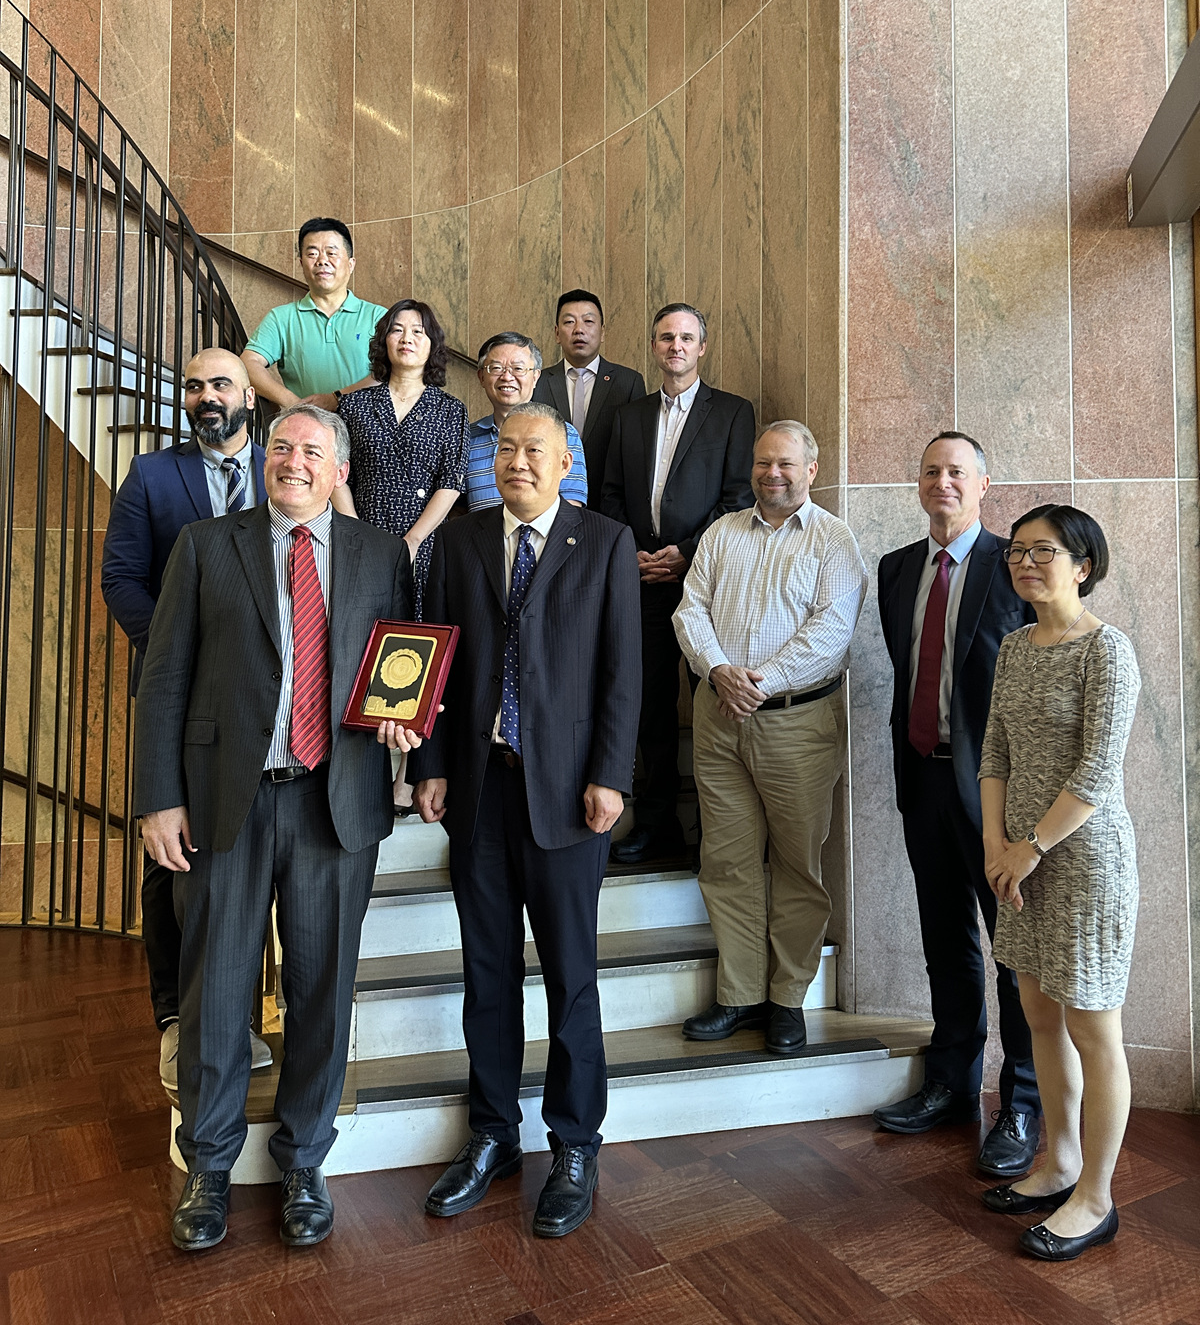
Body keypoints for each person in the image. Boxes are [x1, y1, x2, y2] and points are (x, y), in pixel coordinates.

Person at [134, 405, 422, 1253]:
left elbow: (401, 666)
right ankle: (209, 1167)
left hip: (336, 801)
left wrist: (406, 726)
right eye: (283, 447)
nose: (294, 461)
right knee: (215, 990)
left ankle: (303, 1161)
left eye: (313, 452)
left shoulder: (380, 553)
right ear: (267, 459)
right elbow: (164, 678)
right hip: (224, 801)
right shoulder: (204, 545)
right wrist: (157, 797)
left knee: (322, 990)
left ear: (340, 471)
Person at [411, 403, 640, 1239]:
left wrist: (610, 776)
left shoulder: (604, 541)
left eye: (534, 449)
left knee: (571, 976)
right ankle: (494, 1133)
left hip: (570, 797)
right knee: (487, 973)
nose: (518, 461)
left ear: (565, 460)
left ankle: (574, 1142)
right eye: (505, 448)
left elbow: (622, 670)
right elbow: (436, 658)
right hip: (480, 791)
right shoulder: (461, 540)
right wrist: (429, 765)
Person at [101, 348, 271, 1088]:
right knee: (172, 856)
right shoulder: (151, 475)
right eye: (194, 386)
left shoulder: (285, 467)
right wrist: (182, 648)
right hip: (181, 693)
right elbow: (120, 578)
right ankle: (176, 1021)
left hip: (270, 703)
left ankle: (241, 1018)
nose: (207, 396)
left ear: (249, 396)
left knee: (255, 859)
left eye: (221, 384)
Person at [874, 432, 1040, 1177]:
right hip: (922, 778)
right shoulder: (896, 567)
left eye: (957, 472)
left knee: (1015, 951)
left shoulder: (1015, 565)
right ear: (918, 483)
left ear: (983, 485)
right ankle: (951, 1082)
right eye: (931, 471)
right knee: (944, 937)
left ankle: (1023, 1101)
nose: (943, 482)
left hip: (998, 792)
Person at [673, 422, 867, 1055]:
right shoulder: (722, 533)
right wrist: (718, 671)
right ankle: (739, 993)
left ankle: (787, 998)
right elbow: (690, 609)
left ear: (811, 469)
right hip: (718, 716)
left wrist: (758, 682)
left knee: (796, 864)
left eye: (785, 463)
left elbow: (830, 632)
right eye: (762, 463)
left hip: (797, 724)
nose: (772, 474)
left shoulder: (834, 541)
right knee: (726, 861)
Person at [979, 506, 1140, 1262]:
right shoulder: (1015, 646)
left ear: (1083, 565)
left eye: (1043, 551)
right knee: (1039, 1014)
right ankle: (1061, 1162)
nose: (1025, 562)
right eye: (1017, 551)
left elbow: (1097, 773)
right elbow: (995, 755)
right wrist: (996, 847)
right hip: (1017, 861)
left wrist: (1030, 847)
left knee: (1093, 1027)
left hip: (1082, 863)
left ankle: (1097, 1199)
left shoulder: (1107, 650)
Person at [601, 303, 755, 864]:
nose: (676, 346)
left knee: (710, 703)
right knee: (650, 708)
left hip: (705, 583)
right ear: (654, 346)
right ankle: (657, 824)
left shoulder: (733, 413)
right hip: (642, 580)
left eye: (687, 338)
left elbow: (738, 498)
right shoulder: (628, 416)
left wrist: (686, 552)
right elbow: (609, 494)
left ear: (702, 347)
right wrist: (633, 553)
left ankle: (715, 829)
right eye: (666, 337)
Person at [334, 298, 469, 614]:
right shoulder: (353, 405)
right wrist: (357, 533)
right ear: (384, 341)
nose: (407, 338)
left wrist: (413, 541)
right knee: (359, 625)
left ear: (432, 344)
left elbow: (451, 481)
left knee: (417, 630)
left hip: (424, 542)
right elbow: (337, 474)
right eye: (397, 330)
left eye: (418, 331)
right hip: (361, 536)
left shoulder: (450, 410)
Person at [242, 218, 385, 411]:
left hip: (367, 427)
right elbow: (248, 363)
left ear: (351, 264)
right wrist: (293, 403)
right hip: (306, 426)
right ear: (302, 263)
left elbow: (397, 371)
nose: (322, 261)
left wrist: (337, 398)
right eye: (312, 254)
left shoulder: (378, 317)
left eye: (331, 253)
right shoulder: (281, 318)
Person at [534, 289, 646, 508]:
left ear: (602, 332)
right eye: (569, 322)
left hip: (610, 505)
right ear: (557, 333)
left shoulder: (628, 382)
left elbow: (636, 454)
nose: (579, 329)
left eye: (588, 321)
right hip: (551, 504)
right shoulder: (538, 381)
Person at [466, 332, 587, 511]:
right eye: (496, 368)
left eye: (518, 368)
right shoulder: (466, 437)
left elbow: (571, 508)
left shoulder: (563, 433)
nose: (507, 377)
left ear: (536, 377)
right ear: (481, 377)